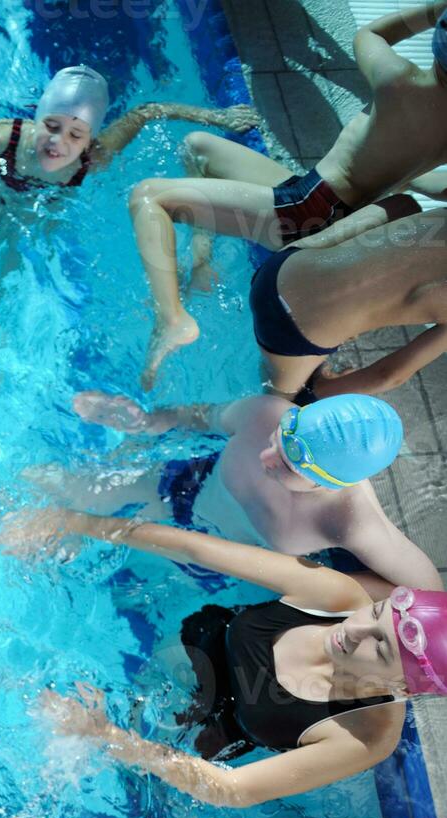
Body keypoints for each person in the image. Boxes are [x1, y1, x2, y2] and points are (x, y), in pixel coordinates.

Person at [0, 508, 447, 807]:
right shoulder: (336, 596)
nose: (354, 629)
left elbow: (234, 790)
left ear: (403, 687)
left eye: (379, 645)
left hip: (218, 729)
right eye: (375, 612)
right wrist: (68, 520)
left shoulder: (367, 737)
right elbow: (194, 548)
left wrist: (105, 735)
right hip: (195, 638)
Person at [129, 3, 447, 389]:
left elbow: (369, 36)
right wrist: (405, 176)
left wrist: (434, 11)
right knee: (197, 148)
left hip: (303, 210)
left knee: (149, 199)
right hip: (327, 205)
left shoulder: (398, 78)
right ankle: (201, 255)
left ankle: (172, 318)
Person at [65, 391, 441, 597]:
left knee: (112, 593)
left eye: (288, 466)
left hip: (215, 567)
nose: (266, 456)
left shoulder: (351, 521)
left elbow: (431, 595)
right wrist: (142, 421)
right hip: (187, 486)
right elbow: (198, 415)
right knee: (64, 489)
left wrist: (333, 589)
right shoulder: (266, 413)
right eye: (279, 440)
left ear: (328, 484)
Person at [0, 65, 258, 209]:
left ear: (89, 139)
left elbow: (148, 111)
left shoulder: (95, 157)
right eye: (51, 125)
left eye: (76, 134)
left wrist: (216, 117)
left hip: (49, 200)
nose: (58, 141)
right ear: (37, 119)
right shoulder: (6, 137)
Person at [243, 206, 447, 400]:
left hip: (282, 268)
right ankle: (210, 417)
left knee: (404, 205)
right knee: (277, 406)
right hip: (296, 333)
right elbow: (388, 376)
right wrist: (317, 392)